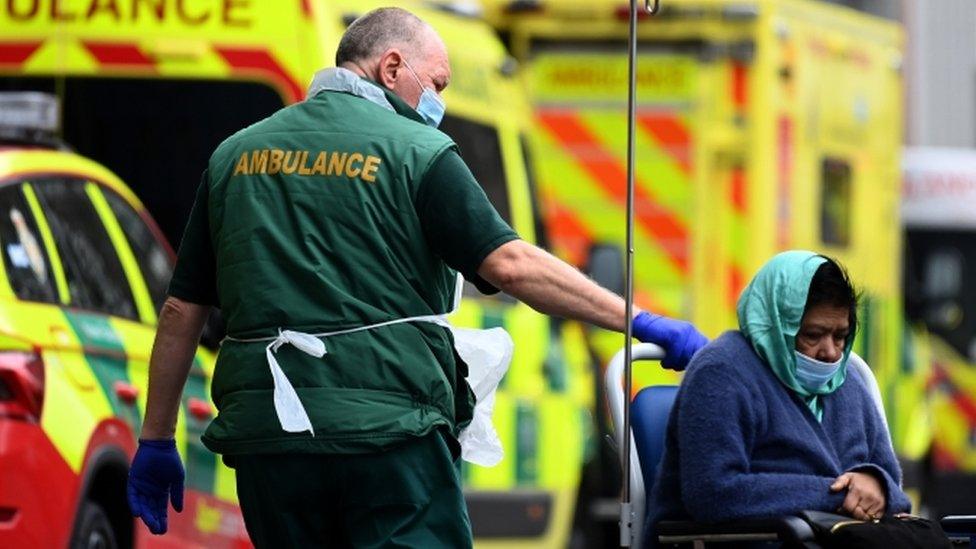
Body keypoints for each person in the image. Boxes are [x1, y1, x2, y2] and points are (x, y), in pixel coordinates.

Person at [125, 7, 707, 548]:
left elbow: (181, 311)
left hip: (268, 441)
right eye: (439, 84)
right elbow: (510, 265)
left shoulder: (234, 156)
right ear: (392, 66)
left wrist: (155, 439)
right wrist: (639, 319)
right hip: (387, 434)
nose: (439, 103)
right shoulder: (418, 151)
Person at [647, 251, 911, 543]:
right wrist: (839, 494)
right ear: (773, 323)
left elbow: (894, 489)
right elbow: (714, 493)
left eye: (840, 336)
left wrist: (875, 484)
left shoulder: (848, 381)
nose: (831, 352)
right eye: (813, 335)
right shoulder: (722, 372)